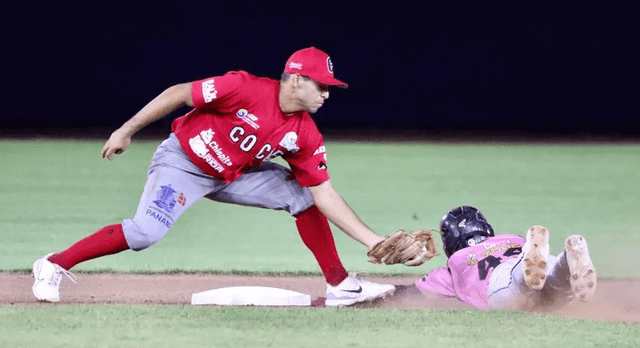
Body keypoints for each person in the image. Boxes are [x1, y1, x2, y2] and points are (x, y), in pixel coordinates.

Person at [31, 47, 398, 306]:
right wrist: (126, 130)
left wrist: (372, 239)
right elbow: (178, 93)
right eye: (321, 85)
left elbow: (325, 194)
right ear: (296, 80)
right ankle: (53, 264)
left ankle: (341, 285)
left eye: (329, 88)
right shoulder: (244, 88)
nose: (326, 94)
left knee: (301, 194)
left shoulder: (305, 133)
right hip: (183, 163)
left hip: (233, 175)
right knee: (145, 233)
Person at [394, 206, 597, 310]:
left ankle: (532, 268)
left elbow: (412, 294)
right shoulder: (510, 238)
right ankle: (567, 261)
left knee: (519, 286)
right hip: (518, 258)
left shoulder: (456, 262)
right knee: (556, 287)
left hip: (501, 282)